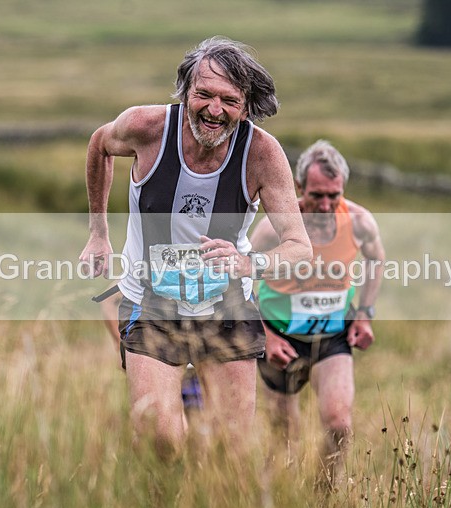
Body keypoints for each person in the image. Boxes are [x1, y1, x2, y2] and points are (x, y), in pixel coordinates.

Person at [79, 37, 311, 458]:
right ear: (186, 91)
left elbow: (299, 246)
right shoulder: (146, 128)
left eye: (229, 100)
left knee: (231, 452)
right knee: (160, 440)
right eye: (203, 94)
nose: (214, 110)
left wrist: (248, 263)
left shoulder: (262, 153)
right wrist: (99, 233)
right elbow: (99, 144)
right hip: (151, 304)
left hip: (226, 308)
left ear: (247, 106)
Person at [249, 139, 385, 488]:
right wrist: (265, 334)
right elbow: (241, 276)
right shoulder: (274, 228)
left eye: (334, 195)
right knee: (285, 437)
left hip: (332, 337)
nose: (325, 205)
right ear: (299, 188)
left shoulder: (358, 222)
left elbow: (376, 259)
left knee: (339, 425)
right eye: (317, 195)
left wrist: (365, 314)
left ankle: (321, 497)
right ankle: (273, 504)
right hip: (281, 337)